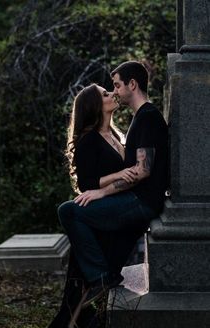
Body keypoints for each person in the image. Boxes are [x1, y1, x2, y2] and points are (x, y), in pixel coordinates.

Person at [35, 83, 137, 328]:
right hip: (97, 215)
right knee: (82, 277)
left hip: (115, 212)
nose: (111, 94)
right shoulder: (88, 139)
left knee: (86, 275)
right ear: (94, 105)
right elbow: (86, 184)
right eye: (105, 93)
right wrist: (116, 176)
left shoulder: (116, 134)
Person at [58, 61, 168, 306]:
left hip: (142, 201)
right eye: (109, 90)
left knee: (68, 211)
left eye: (116, 86)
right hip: (135, 199)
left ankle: (100, 276)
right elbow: (129, 171)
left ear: (132, 84)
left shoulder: (147, 117)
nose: (114, 91)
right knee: (73, 212)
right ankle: (98, 282)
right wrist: (108, 184)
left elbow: (142, 171)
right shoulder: (139, 119)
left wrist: (102, 192)